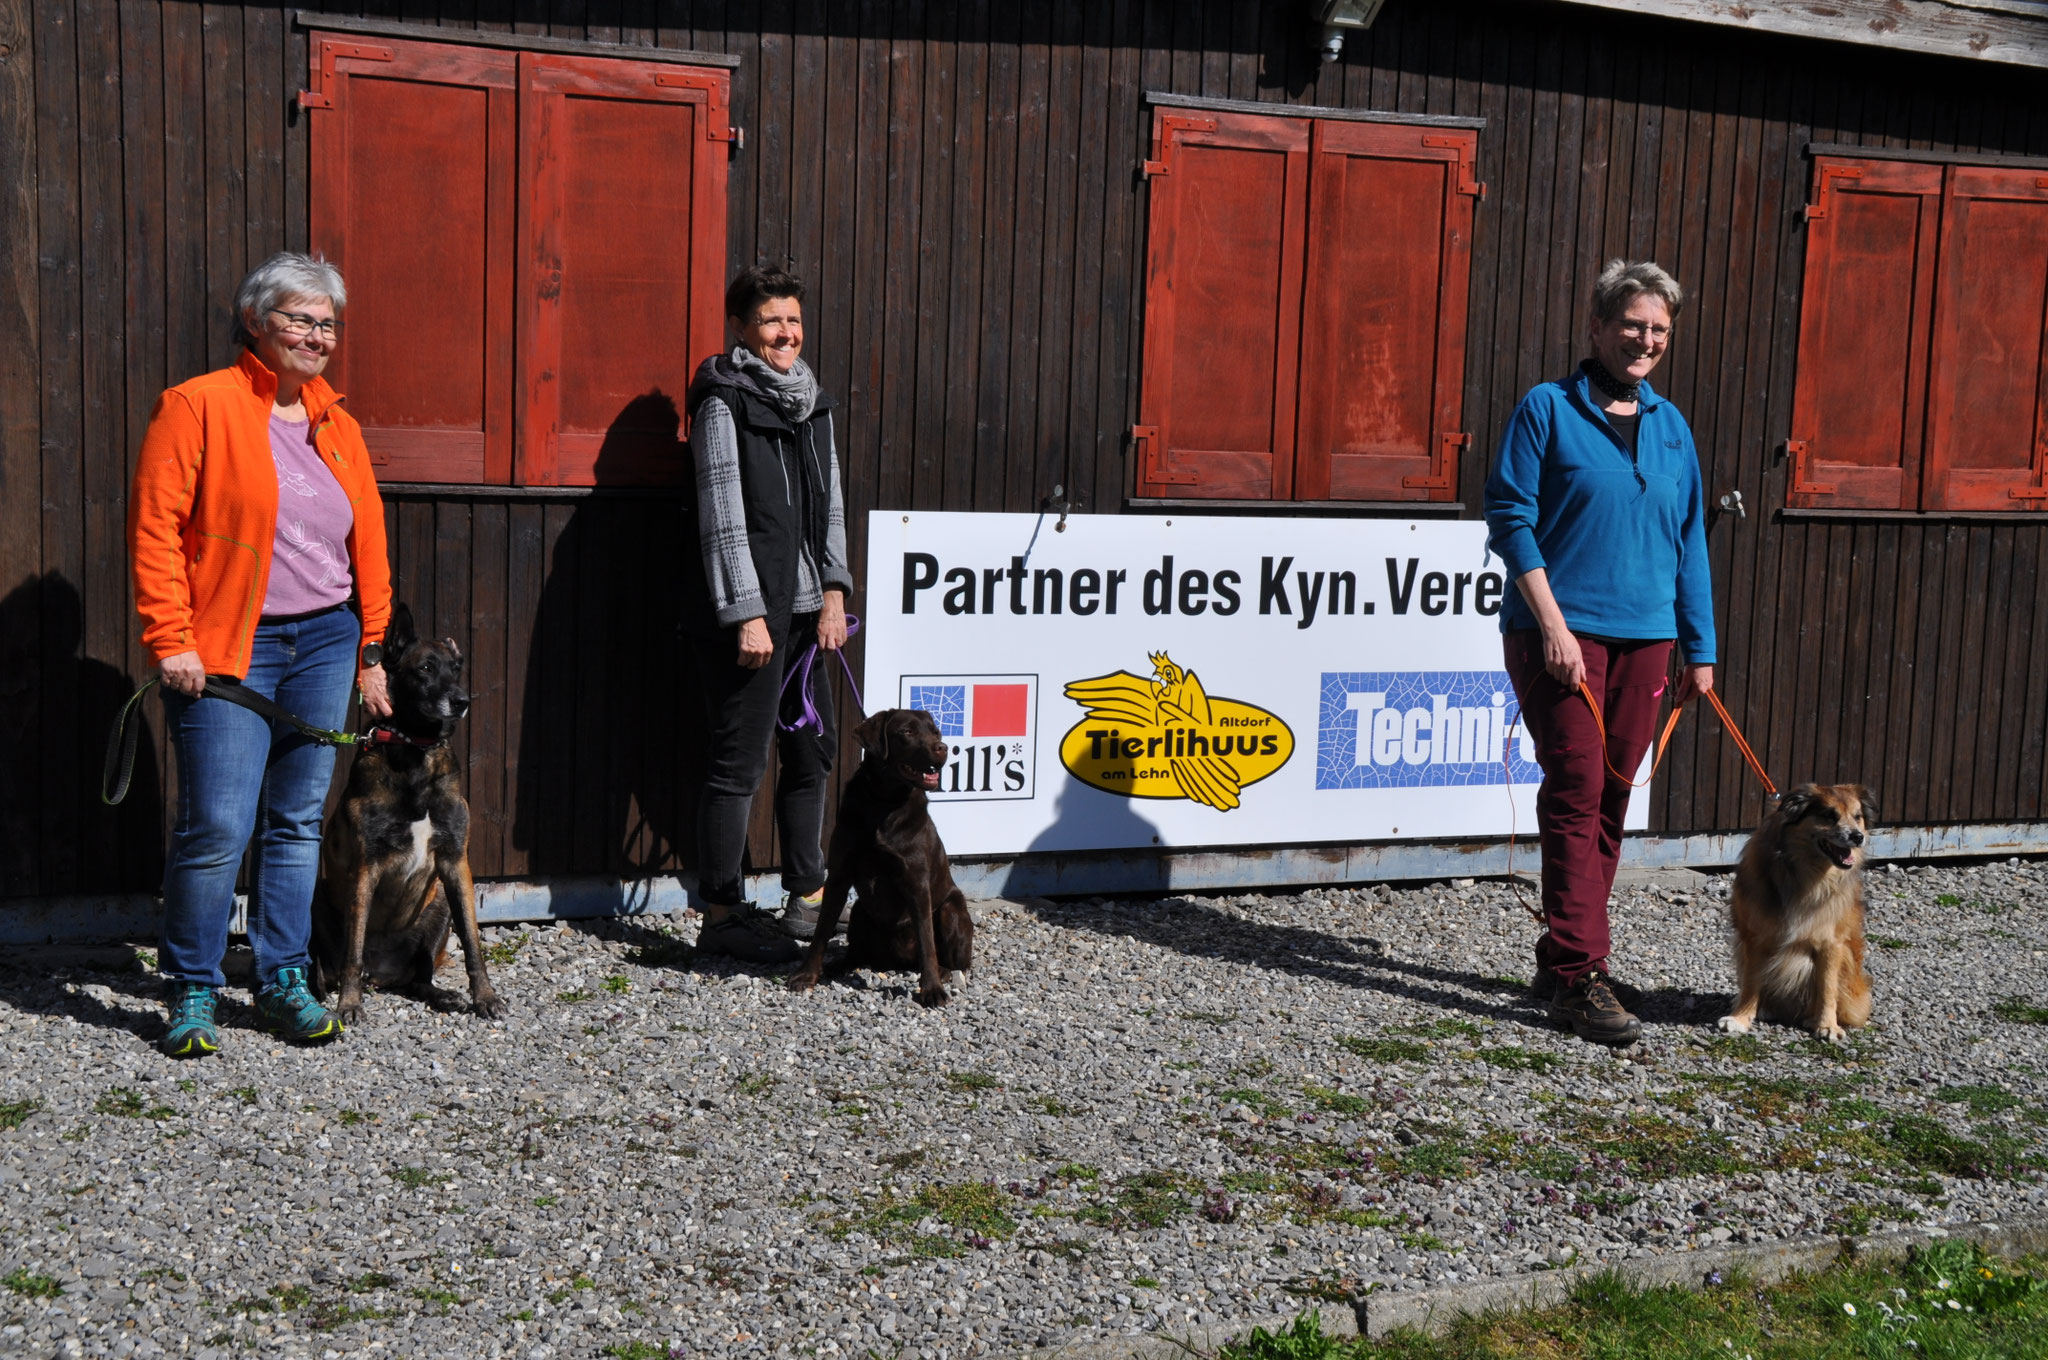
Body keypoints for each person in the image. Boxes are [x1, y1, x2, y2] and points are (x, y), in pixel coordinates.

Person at [130, 252, 393, 1057]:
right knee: (216, 824)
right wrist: (171, 637)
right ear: (255, 321)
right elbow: (156, 530)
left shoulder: (338, 426)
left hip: (325, 641)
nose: (317, 336)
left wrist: (371, 648)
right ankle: (193, 986)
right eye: (300, 319)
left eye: (328, 324)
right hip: (227, 650)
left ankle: (282, 978)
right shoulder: (197, 405)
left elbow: (367, 546)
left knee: (297, 822)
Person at [1483, 258, 1716, 1048]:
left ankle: (1563, 957)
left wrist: (1699, 648)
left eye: (1659, 330)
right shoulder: (1547, 409)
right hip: (1560, 634)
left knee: (1614, 794)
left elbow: (1688, 541)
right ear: (1598, 326)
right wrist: (1550, 625)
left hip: (1648, 637)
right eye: (1632, 325)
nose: (1645, 340)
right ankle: (1583, 974)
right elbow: (1510, 517)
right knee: (1577, 787)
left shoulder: (1672, 426)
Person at [682, 266, 852, 963]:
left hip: (809, 612)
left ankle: (808, 897)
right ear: (741, 328)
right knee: (740, 764)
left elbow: (831, 505)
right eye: (772, 320)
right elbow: (722, 516)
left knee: (813, 752)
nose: (786, 333)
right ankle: (722, 914)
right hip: (753, 616)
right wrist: (746, 613)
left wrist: (835, 591)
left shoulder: (812, 404)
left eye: (794, 320)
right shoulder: (723, 402)